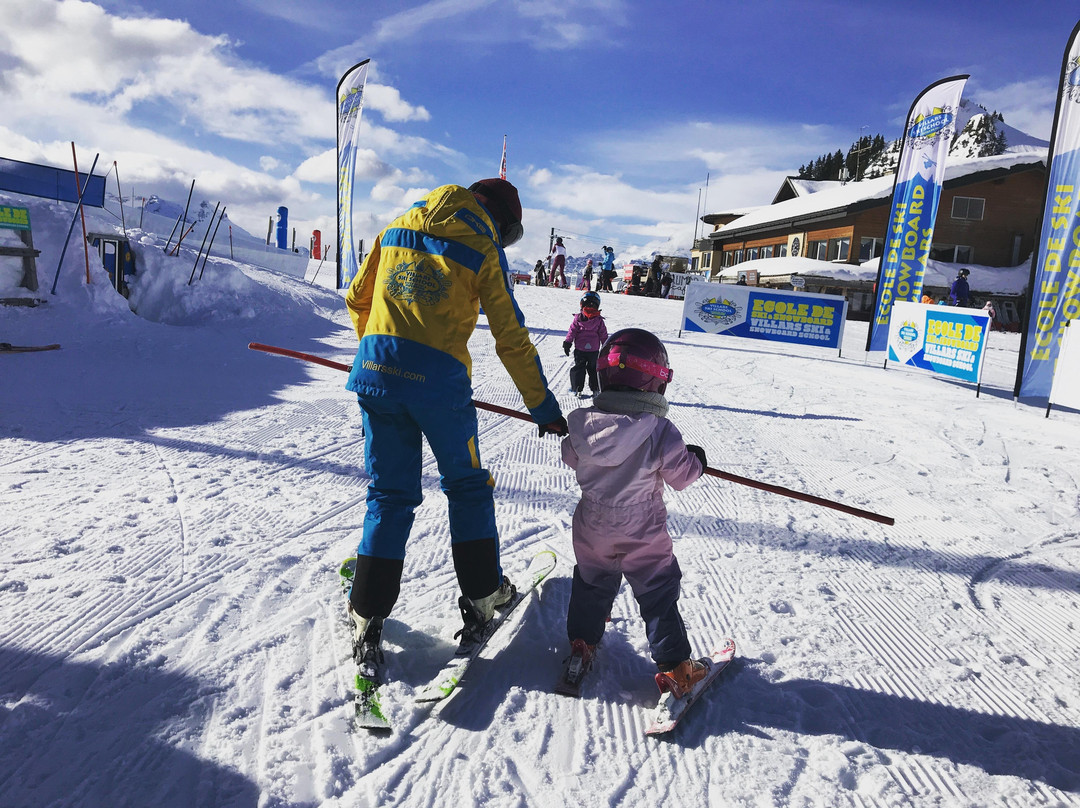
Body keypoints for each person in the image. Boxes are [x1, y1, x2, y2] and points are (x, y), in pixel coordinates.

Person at [343, 178, 568, 663]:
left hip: (376, 377)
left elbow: (358, 297)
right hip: (440, 391)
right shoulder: (483, 247)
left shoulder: (399, 224)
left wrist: (377, 354)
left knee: (389, 492)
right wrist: (543, 408)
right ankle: (484, 597)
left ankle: (366, 612)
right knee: (466, 487)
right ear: (502, 222)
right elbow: (510, 338)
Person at [560, 328, 710, 697]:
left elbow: (569, 455)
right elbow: (681, 477)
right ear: (656, 382)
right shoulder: (660, 431)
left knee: (593, 582)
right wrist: (698, 460)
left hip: (592, 523)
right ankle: (676, 667)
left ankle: (581, 644)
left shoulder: (582, 424)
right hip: (641, 526)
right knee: (657, 590)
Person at [563, 291, 609, 398]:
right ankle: (595, 389)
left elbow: (572, 331)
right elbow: (603, 335)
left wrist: (567, 342)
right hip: (593, 351)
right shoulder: (599, 321)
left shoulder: (578, 318)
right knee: (593, 369)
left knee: (579, 368)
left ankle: (577, 388)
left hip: (580, 350)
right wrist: (606, 346)